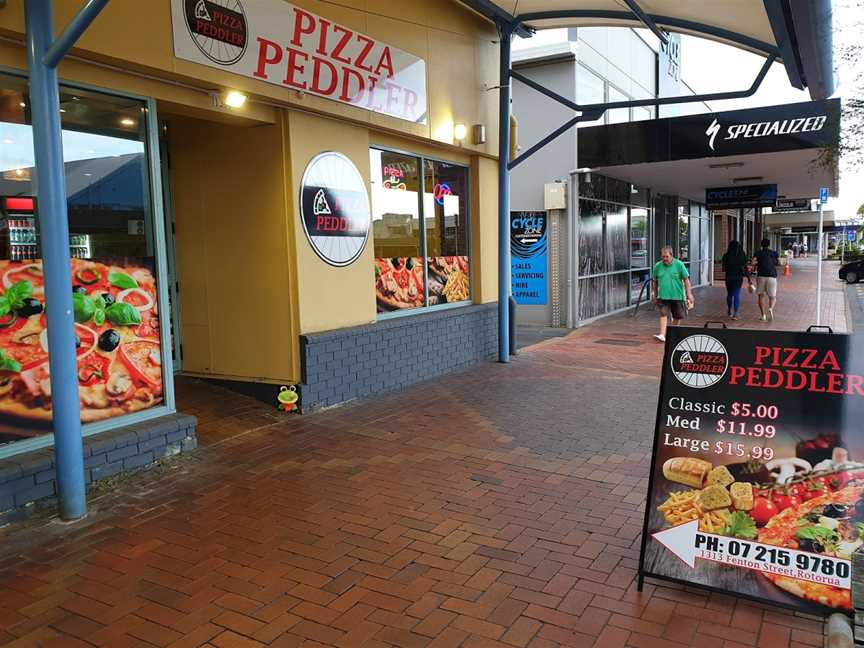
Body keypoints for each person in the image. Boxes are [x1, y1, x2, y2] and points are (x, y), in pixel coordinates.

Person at [652, 246, 694, 343]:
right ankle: (662, 334)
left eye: (666, 256)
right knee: (663, 313)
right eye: (663, 257)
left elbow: (686, 280)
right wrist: (655, 294)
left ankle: (673, 333)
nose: (664, 259)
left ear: (671, 255)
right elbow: (655, 281)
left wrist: (689, 294)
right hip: (663, 296)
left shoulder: (679, 265)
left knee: (678, 316)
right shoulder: (658, 266)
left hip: (677, 296)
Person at [721, 240, 749, 320]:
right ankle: (735, 314)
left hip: (729, 276)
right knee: (736, 294)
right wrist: (748, 278)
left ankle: (729, 310)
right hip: (738, 277)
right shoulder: (742, 255)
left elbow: (724, 268)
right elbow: (745, 268)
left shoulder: (726, 255)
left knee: (729, 294)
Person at [753, 238, 780, 321]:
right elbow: (778, 262)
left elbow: (753, 262)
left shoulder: (758, 253)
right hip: (772, 276)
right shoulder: (774, 253)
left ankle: (763, 315)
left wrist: (758, 262)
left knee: (761, 296)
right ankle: (770, 308)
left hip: (761, 276)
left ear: (761, 245)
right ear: (769, 245)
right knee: (772, 297)